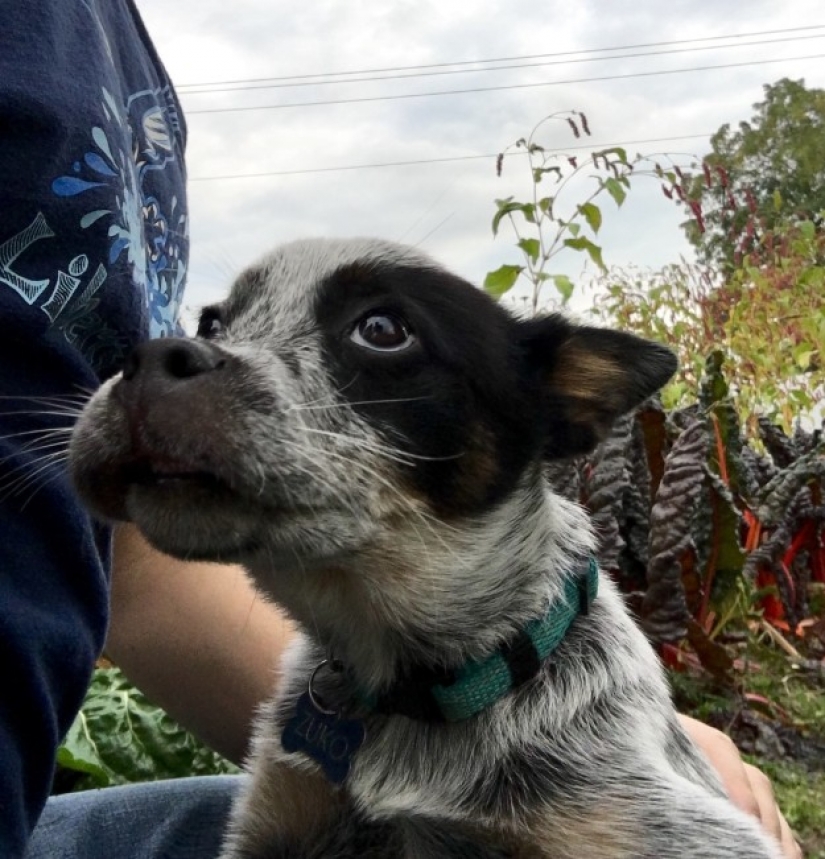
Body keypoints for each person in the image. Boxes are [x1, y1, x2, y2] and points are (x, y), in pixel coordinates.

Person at [0, 2, 802, 858]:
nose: (191, 353)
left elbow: (125, 567)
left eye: (382, 333)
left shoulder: (117, 43)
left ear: (556, 411)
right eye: (222, 324)